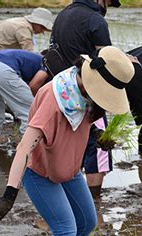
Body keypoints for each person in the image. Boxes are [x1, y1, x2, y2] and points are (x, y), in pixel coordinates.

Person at [0, 46, 134, 236]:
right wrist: (9, 194)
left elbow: (77, 125)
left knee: (88, 222)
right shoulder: (55, 99)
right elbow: (24, 147)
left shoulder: (82, 93)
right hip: (39, 172)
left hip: (69, 170)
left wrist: (98, 136)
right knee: (65, 230)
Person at [50, 0, 121, 201]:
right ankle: (93, 202)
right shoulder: (95, 19)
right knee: (99, 147)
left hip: (61, 90)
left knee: (69, 145)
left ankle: (67, 197)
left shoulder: (63, 15)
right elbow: (106, 59)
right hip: (89, 91)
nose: (107, 7)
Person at [0, 49, 47, 143]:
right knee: (29, 110)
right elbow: (33, 86)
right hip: (3, 69)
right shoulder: (48, 64)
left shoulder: (33, 58)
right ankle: (27, 144)